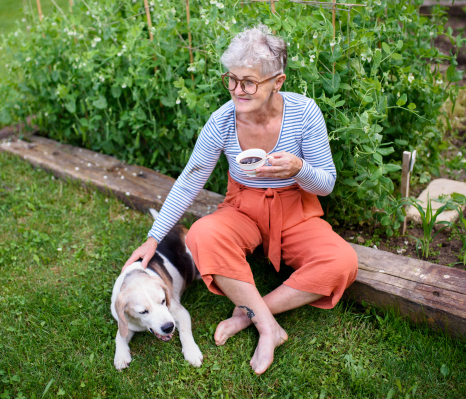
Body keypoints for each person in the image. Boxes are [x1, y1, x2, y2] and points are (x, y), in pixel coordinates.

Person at [123, 24, 358, 375]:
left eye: (248, 82)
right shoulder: (222, 121)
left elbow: (325, 184)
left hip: (295, 209)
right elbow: (190, 180)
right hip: (243, 208)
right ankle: (267, 327)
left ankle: (250, 313)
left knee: (342, 262)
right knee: (202, 235)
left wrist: (297, 168)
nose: (237, 90)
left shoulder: (304, 113)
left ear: (277, 81)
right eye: (231, 79)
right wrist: (155, 236)